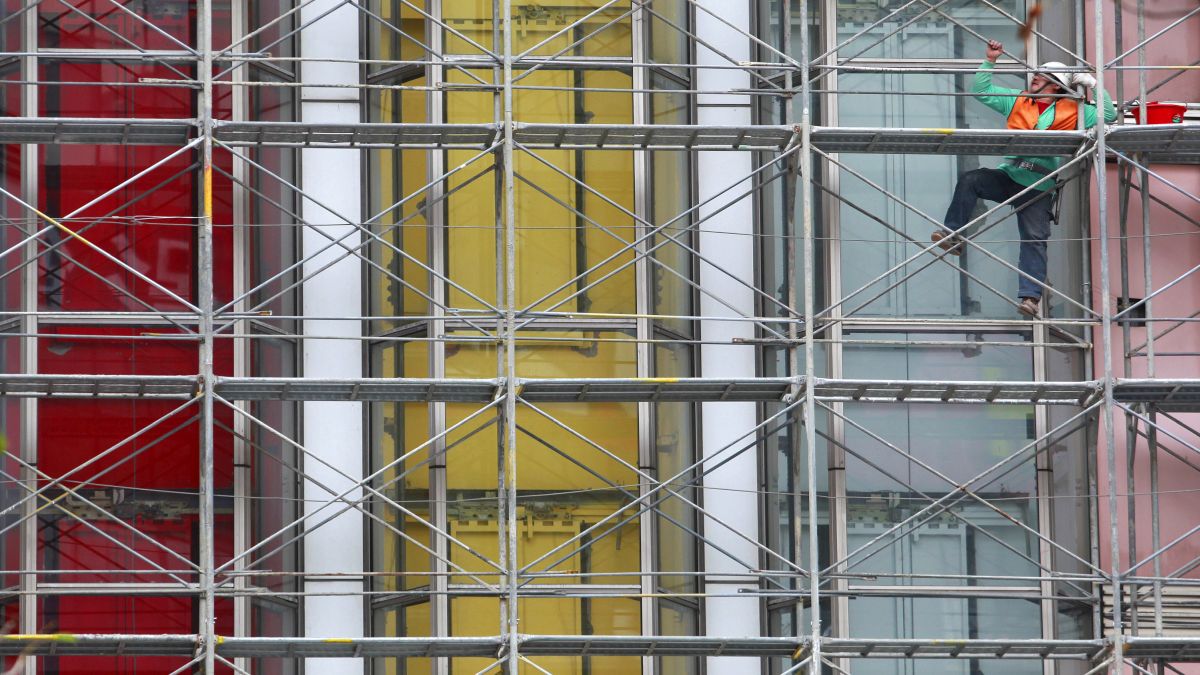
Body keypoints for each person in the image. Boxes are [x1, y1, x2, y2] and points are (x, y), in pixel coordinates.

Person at [932, 39, 1117, 318]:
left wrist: (1091, 83)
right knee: (972, 180)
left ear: (1056, 86)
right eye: (1036, 76)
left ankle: (1030, 297)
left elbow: (1108, 114)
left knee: (1034, 237)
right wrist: (990, 60)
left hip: (1038, 183)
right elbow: (981, 91)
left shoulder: (1074, 110)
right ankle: (953, 233)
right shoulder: (1018, 100)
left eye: (1042, 78)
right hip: (1010, 174)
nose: (1035, 80)